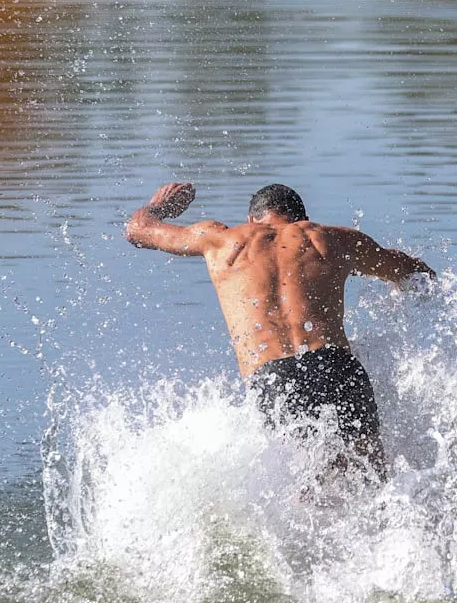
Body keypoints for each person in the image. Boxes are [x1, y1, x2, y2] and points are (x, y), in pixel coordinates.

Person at [125, 182, 435, 479]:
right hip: (338, 368)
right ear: (303, 219)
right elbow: (412, 270)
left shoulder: (221, 240)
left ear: (251, 220)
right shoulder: (331, 238)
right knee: (371, 480)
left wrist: (159, 205)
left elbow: (138, 230)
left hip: (275, 378)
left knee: (307, 494)